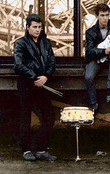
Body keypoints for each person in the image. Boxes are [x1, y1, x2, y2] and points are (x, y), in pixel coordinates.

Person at [14, 14, 57, 161]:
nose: (37, 30)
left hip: (42, 84)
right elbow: (19, 65)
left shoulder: (46, 42)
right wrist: (34, 77)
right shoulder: (20, 43)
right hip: (27, 84)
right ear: (27, 27)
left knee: (49, 117)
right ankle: (26, 150)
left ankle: (40, 149)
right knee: (25, 118)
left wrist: (45, 77)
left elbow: (52, 62)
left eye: (39, 27)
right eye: (34, 27)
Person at [84, 4, 110, 111]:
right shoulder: (90, 32)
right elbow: (88, 52)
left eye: (107, 15)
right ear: (97, 16)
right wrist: (103, 51)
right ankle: (93, 103)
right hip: (96, 60)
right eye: (102, 15)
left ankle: (109, 87)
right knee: (88, 77)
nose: (105, 18)